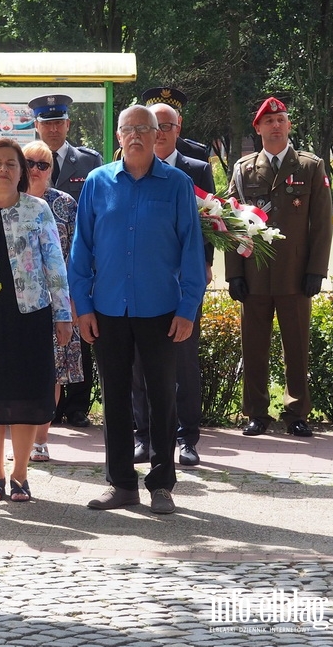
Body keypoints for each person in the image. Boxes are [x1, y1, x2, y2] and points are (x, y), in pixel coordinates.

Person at [69, 105, 206, 515]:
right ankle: (121, 484)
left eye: (144, 129)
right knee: (114, 397)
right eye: (128, 129)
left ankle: (161, 485)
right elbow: (81, 250)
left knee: (163, 395)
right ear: (118, 136)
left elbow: (192, 251)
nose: (136, 136)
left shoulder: (178, 184)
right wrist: (84, 306)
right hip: (108, 308)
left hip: (161, 309)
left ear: (158, 135)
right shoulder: (97, 182)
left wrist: (188, 308)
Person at [0, 139, 72, 502]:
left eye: (11, 164)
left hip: (29, 313)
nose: (3, 170)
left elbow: (55, 265)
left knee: (29, 394)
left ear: (22, 173)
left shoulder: (38, 209)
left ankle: (20, 474)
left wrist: (63, 316)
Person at [226, 97, 333, 438]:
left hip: (295, 273)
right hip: (254, 274)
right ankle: (256, 413)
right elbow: (229, 222)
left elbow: (322, 224)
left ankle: (296, 413)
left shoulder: (310, 166)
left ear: (289, 126)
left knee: (297, 348)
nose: (275, 125)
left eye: (281, 120)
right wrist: (234, 273)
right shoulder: (243, 170)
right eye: (268, 121)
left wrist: (316, 270)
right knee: (253, 348)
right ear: (257, 129)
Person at [131, 102, 216, 467]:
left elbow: (212, 222)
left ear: (177, 128)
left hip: (182, 283)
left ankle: (187, 438)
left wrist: (206, 264)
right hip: (141, 284)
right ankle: (143, 436)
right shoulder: (127, 169)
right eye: (155, 124)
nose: (161, 131)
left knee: (183, 363)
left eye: (167, 125)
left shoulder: (194, 170)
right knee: (138, 366)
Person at [28, 93, 102, 428]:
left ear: (68, 124)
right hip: (32, 282)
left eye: (59, 122)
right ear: (37, 125)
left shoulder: (88, 161)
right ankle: (45, 411)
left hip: (72, 270)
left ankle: (76, 407)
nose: (54, 128)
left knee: (76, 339)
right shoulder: (22, 159)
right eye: (48, 122)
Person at [20, 140, 82, 464]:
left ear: (51, 170)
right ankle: (20, 440)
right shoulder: (7, 203)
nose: (35, 169)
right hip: (18, 303)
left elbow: (77, 256)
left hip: (57, 301)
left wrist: (72, 304)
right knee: (19, 373)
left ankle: (41, 440)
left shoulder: (66, 204)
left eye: (42, 165)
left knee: (53, 373)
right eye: (29, 162)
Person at [140, 87, 210, 163]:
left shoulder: (197, 154)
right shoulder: (135, 151)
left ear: (178, 122)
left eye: (166, 124)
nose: (159, 131)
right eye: (155, 122)